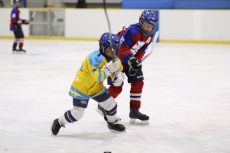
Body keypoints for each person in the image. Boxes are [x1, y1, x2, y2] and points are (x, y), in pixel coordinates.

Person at [51, 32, 126, 135]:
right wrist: (108, 69)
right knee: (77, 114)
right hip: (82, 88)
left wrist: (118, 78)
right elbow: (98, 77)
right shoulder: (94, 58)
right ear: (102, 47)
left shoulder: (115, 60)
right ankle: (59, 121)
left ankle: (112, 122)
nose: (112, 52)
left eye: (115, 49)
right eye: (109, 49)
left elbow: (119, 70)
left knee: (111, 104)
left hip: (96, 88)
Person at [98, 9, 159, 124]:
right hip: (117, 60)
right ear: (141, 22)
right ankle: (103, 106)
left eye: (150, 27)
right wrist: (130, 59)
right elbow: (121, 48)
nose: (147, 29)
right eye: (146, 25)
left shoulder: (149, 37)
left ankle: (134, 110)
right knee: (117, 86)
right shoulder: (133, 31)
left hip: (130, 61)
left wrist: (137, 61)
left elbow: (141, 50)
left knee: (138, 82)